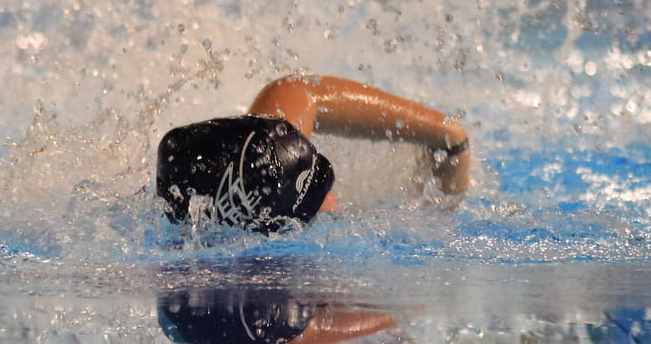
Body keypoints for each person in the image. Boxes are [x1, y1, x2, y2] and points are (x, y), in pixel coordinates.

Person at [156, 73, 470, 233]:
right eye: (314, 198)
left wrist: (451, 138)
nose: (327, 197)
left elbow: (294, 90)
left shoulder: (267, 150)